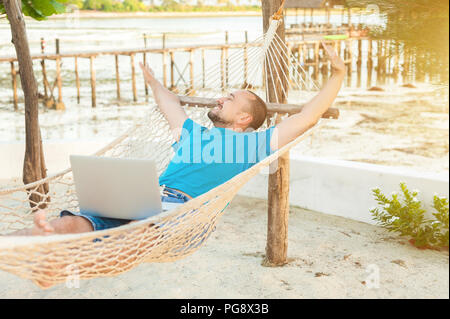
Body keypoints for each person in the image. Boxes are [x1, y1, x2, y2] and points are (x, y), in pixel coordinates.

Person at [11, 41, 345, 236]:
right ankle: (29, 243)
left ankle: (64, 253)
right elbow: (170, 103)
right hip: (146, 201)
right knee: (73, 223)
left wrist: (338, 74)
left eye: (229, 98)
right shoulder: (191, 133)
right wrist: (154, 81)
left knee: (128, 234)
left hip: (184, 212)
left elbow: (307, 116)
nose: (219, 99)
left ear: (245, 118)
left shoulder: (256, 144)